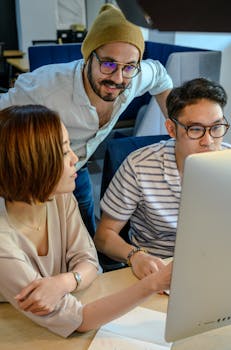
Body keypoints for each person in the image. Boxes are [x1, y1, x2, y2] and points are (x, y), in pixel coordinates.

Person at [0, 4, 173, 238]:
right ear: (88, 57)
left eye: (129, 66)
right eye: (108, 64)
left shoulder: (134, 77)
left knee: (87, 237)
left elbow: (161, 77)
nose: (118, 78)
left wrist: (177, 125)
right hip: (39, 174)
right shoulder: (46, 88)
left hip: (77, 169)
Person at [0, 104, 172, 337]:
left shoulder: (58, 197)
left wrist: (65, 281)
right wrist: (154, 283)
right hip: (15, 328)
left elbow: (89, 262)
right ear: (32, 164)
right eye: (63, 151)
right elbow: (78, 320)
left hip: (56, 317)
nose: (74, 158)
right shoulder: (3, 241)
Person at [94, 78, 231, 279]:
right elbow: (103, 236)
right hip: (158, 269)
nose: (208, 141)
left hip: (217, 265)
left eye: (217, 127)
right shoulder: (139, 166)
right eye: (195, 129)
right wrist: (135, 256)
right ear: (171, 129)